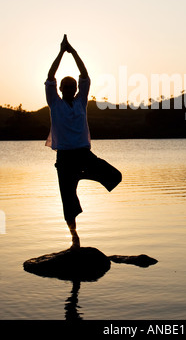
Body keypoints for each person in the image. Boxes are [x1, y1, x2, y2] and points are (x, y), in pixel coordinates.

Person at [45, 35, 122, 249]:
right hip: (64, 158)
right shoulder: (54, 103)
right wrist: (61, 52)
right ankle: (74, 237)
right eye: (66, 87)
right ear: (60, 89)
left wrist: (74, 52)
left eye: (72, 87)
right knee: (68, 203)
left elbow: (85, 75)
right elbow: (50, 75)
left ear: (76, 90)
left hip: (84, 155)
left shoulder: (81, 102)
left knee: (115, 176)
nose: (70, 89)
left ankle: (83, 176)